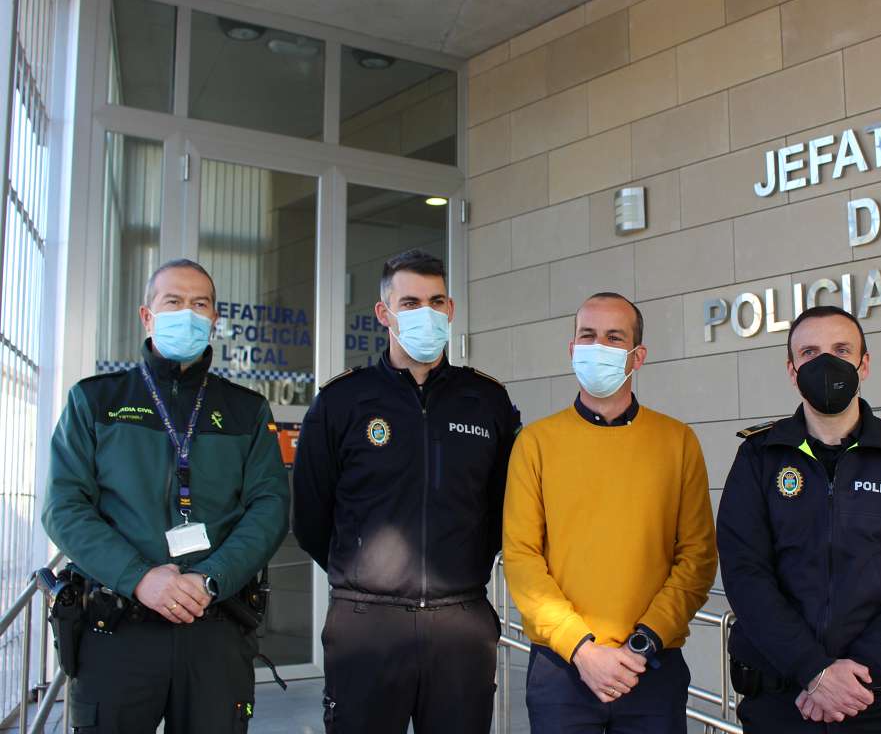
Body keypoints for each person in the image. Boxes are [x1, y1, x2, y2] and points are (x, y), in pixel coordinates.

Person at [41, 258, 290, 733]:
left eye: (201, 304)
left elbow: (270, 507)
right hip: (118, 628)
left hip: (215, 626)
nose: (188, 313)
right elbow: (64, 508)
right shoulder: (95, 401)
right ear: (147, 315)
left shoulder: (246, 410)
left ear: (216, 318)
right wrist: (139, 578)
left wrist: (211, 578)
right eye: (173, 301)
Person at [292, 249, 521, 734]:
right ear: (384, 313)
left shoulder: (486, 400)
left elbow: (506, 506)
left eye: (436, 301)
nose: (427, 314)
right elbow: (311, 516)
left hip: (460, 620)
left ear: (451, 309)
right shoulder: (342, 401)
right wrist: (363, 574)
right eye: (411, 302)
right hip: (366, 624)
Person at [716, 306, 881, 733]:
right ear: (792, 371)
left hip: (879, 698)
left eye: (841, 349)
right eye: (810, 352)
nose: (826, 362)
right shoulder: (758, 456)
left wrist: (855, 677)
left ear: (864, 363)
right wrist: (814, 671)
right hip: (781, 699)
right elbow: (745, 574)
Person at [503, 292, 718, 734]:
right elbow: (522, 558)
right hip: (562, 669)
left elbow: (697, 557)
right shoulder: (536, 443)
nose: (597, 345)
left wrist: (644, 642)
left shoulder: (677, 442)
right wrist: (582, 649)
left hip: (651, 666)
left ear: (637, 357)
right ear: (571, 349)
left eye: (614, 337)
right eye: (588, 335)